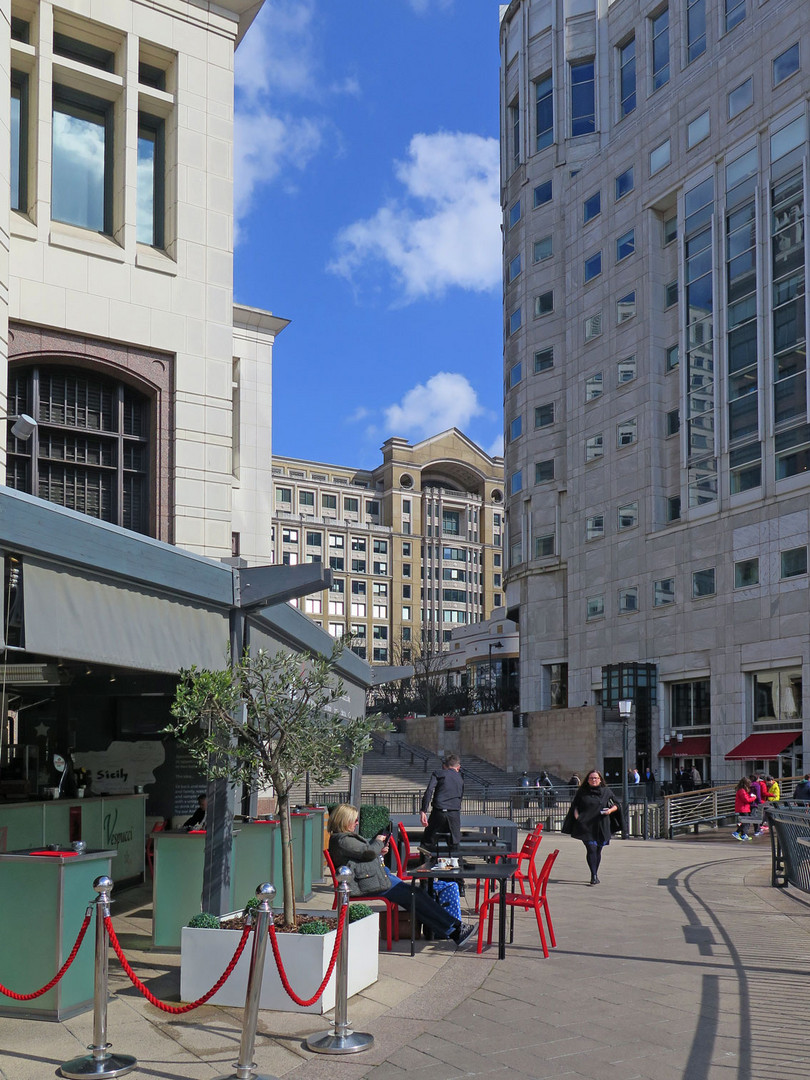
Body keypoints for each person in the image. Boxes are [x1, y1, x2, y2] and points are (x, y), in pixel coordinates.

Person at [328, 804, 473, 947]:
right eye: (355, 820)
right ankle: (455, 930)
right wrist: (378, 842)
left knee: (416, 895)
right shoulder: (342, 840)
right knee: (415, 896)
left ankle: (453, 929)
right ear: (345, 820)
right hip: (369, 883)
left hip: (375, 878)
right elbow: (369, 852)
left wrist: (378, 850)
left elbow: (361, 855)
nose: (357, 822)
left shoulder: (343, 838)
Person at [561, 770, 623, 885]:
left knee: (598, 850)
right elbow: (575, 806)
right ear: (587, 780)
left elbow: (617, 805)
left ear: (600, 779)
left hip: (601, 824)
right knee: (591, 849)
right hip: (586, 825)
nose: (593, 780)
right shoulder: (582, 792)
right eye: (591, 778)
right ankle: (593, 875)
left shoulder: (606, 791)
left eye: (596, 778)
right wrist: (578, 817)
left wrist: (609, 811)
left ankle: (595, 872)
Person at [420, 754, 464, 847]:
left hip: (439, 811)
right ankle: (455, 860)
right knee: (454, 844)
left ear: (444, 766)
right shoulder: (460, 778)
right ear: (458, 767)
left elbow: (429, 791)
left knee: (427, 842)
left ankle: (427, 860)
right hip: (454, 813)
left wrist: (423, 810)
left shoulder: (438, 774)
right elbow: (460, 796)